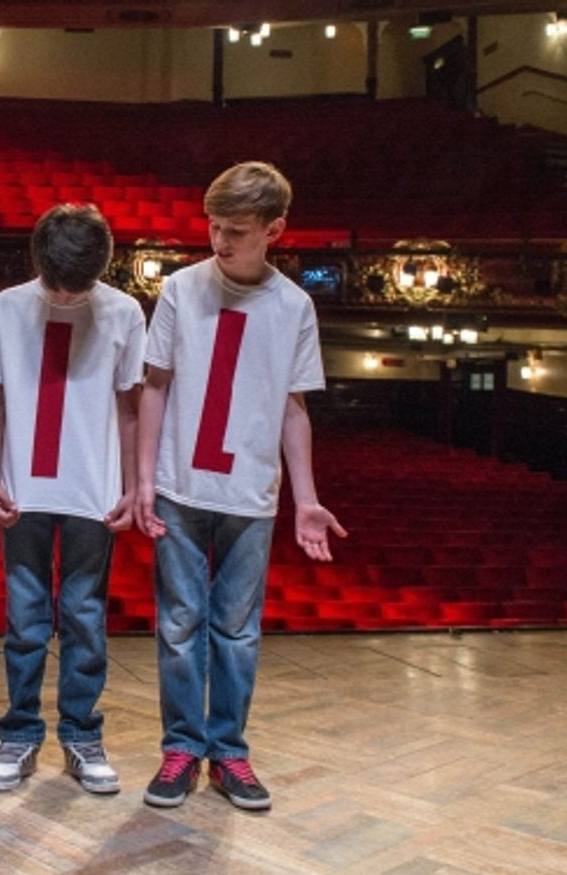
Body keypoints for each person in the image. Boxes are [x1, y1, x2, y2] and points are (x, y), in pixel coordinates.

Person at [134, 161, 347, 812]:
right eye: (213, 227)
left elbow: (293, 409)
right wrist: (143, 478)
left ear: (275, 230)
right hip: (177, 484)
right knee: (178, 625)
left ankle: (228, 750)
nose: (219, 241)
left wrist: (306, 499)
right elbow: (156, 384)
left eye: (235, 231)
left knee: (236, 630)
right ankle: (180, 747)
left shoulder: (294, 306)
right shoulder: (179, 288)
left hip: (251, 495)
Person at [0, 204, 144, 794]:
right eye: (57, 286)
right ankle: (19, 733)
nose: (68, 299)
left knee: (84, 617)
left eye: (82, 288)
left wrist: (131, 485)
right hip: (24, 485)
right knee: (24, 620)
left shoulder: (124, 310)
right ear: (37, 263)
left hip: (93, 491)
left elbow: (130, 406)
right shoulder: (7, 306)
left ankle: (81, 734)